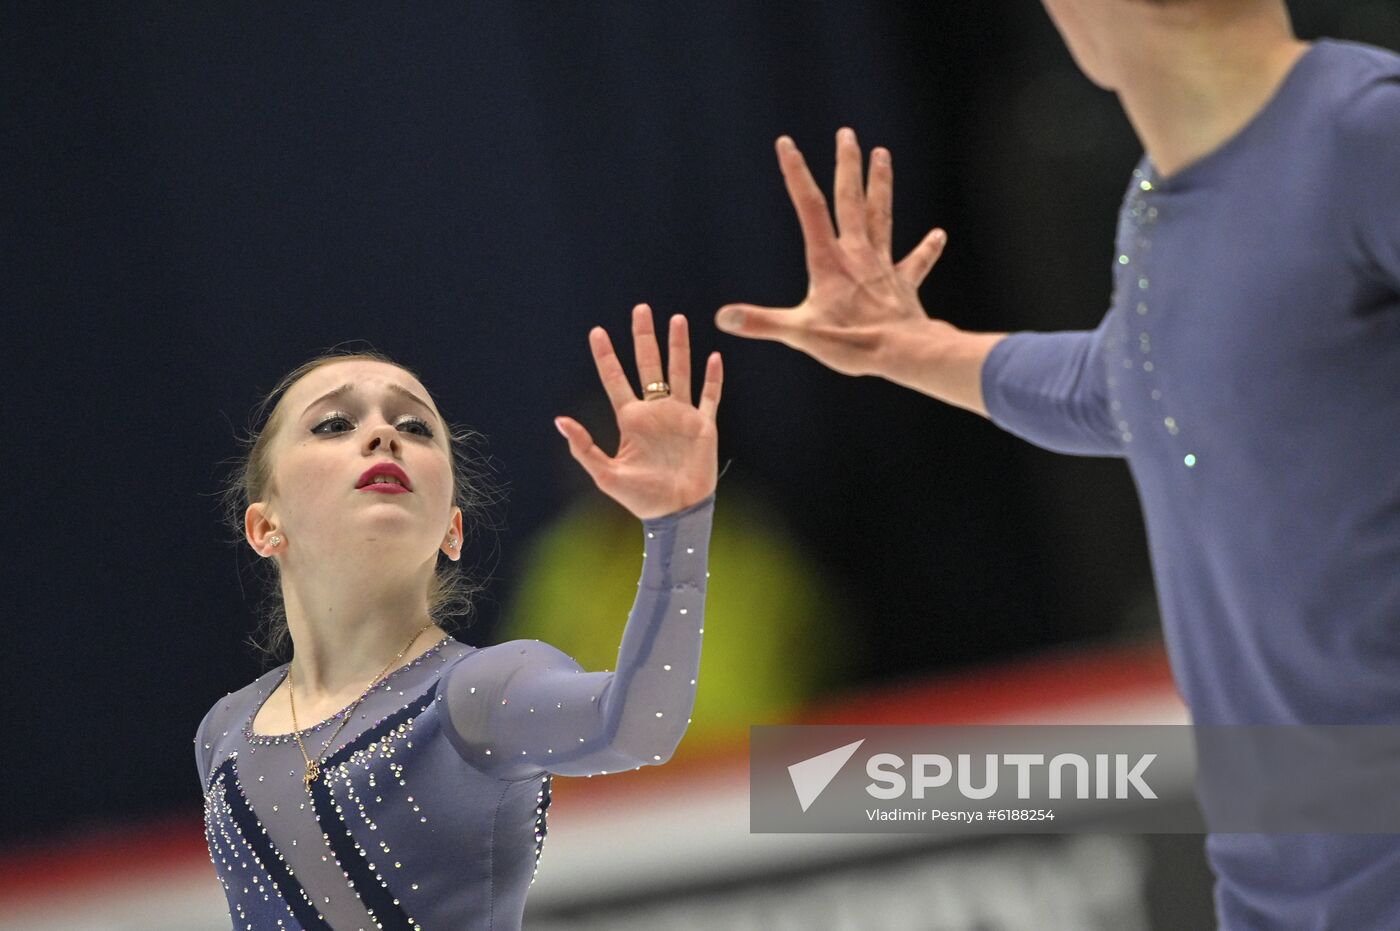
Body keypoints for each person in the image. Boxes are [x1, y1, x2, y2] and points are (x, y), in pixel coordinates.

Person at [713, 1, 1400, 928]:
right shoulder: (1166, 202)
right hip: (1283, 891)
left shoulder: (1362, 134)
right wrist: (909, 348)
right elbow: (1140, 384)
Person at [194, 305, 722, 931]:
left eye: (415, 427)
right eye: (334, 424)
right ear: (264, 526)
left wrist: (677, 525)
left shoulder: (477, 695)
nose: (383, 434)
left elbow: (638, 727)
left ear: (453, 528)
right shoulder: (225, 732)